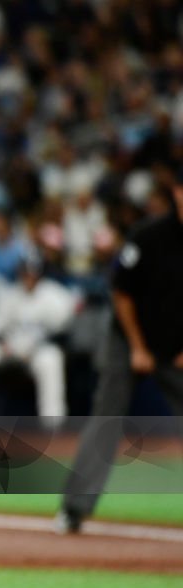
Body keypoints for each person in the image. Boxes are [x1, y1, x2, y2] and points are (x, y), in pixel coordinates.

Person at [58, 177, 183, 533]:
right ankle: (74, 508)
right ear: (176, 193)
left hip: (174, 346)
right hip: (128, 339)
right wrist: (138, 347)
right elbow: (122, 293)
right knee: (106, 418)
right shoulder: (148, 237)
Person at [0, 254, 78, 422]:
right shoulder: (9, 294)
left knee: (51, 359)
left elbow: (62, 330)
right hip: (7, 348)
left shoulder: (55, 295)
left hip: (38, 351)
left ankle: (53, 423)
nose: (29, 277)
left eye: (33, 273)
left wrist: (32, 347)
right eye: (25, 273)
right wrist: (4, 345)